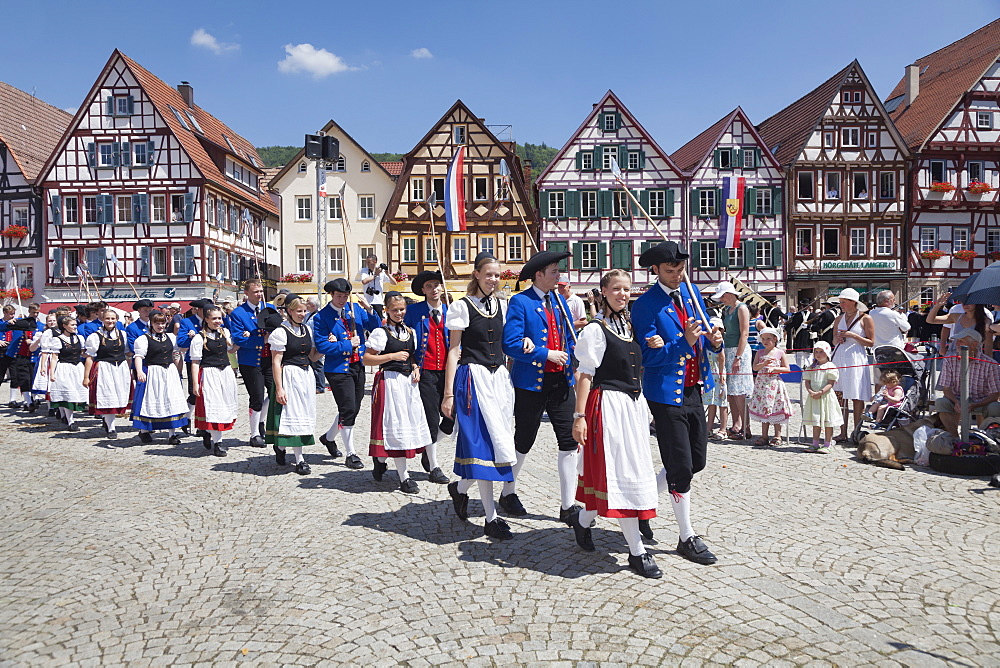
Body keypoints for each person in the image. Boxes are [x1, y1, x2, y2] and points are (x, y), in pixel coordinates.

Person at [631, 241, 724, 565]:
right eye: (671, 271)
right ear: (655, 270)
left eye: (681, 269)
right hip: (665, 393)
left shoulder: (691, 292)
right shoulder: (645, 306)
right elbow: (650, 357)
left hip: (694, 388)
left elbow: (707, 340)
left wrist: (714, 342)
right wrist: (683, 342)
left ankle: (644, 505)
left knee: (695, 462)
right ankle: (686, 536)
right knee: (681, 467)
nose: (678, 276)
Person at [569, 269, 662, 578]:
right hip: (607, 407)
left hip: (633, 409)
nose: (623, 294)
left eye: (627, 289)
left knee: (626, 476)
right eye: (617, 289)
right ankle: (637, 552)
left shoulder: (632, 327)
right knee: (618, 476)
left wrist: (656, 343)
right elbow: (584, 375)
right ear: (604, 292)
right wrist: (579, 417)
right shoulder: (596, 330)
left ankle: (583, 522)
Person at [442, 251, 517, 540]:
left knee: (497, 442)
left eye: (497, 275)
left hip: (498, 381)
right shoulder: (461, 307)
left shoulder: (503, 305)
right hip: (472, 379)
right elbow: (453, 350)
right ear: (476, 274)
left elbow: (507, 343)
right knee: (483, 447)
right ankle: (490, 517)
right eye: (488, 274)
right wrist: (448, 394)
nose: (493, 279)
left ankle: (459, 489)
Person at [501, 249, 578, 523]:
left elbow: (569, 337)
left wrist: (576, 357)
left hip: (561, 381)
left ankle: (568, 505)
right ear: (539, 275)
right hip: (531, 383)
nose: (559, 275)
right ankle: (508, 492)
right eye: (555, 271)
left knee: (570, 441)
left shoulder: (559, 301)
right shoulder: (520, 302)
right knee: (524, 439)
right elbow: (510, 344)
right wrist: (545, 354)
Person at [363, 292, 433, 493]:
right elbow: (367, 359)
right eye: (395, 310)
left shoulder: (410, 331)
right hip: (390, 382)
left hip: (408, 384)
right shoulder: (380, 333)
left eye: (402, 309)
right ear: (386, 310)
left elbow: (411, 355)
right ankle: (404, 477)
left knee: (407, 425)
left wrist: (415, 366)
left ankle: (380, 459)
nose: (399, 313)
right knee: (394, 426)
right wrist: (391, 355)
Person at [313, 279, 380, 469]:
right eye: (338, 296)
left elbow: (375, 327)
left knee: (353, 408)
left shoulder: (354, 310)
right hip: (337, 369)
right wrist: (346, 344)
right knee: (348, 408)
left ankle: (328, 438)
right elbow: (322, 345)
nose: (342, 299)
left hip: (357, 365)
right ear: (332, 295)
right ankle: (351, 453)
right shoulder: (322, 317)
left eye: (345, 296)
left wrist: (369, 309)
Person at [403, 270, 453, 484]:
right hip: (424, 372)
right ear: (423, 291)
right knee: (431, 418)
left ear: (442, 288)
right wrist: (411, 364)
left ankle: (426, 449)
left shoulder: (452, 310)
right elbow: (402, 338)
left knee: (451, 418)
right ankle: (434, 465)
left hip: (449, 372)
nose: (434, 289)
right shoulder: (413, 311)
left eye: (436, 285)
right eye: (429, 286)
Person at [267, 296, 324, 475]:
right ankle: (300, 460)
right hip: (289, 375)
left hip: (306, 376)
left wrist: (326, 345)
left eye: (304, 311)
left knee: (303, 413)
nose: (302, 314)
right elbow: (276, 362)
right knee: (292, 413)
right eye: (299, 311)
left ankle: (281, 447)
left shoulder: (307, 329)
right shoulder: (280, 332)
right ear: (289, 311)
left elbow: (312, 357)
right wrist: (279, 387)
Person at [228, 280, 273, 447]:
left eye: (261, 291)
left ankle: (261, 420)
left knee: (275, 392)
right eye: (255, 292)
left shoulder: (269, 308)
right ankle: (254, 434)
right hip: (250, 362)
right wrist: (262, 339)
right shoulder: (239, 313)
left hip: (269, 359)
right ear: (246, 293)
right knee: (257, 397)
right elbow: (239, 339)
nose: (259, 294)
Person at [132, 312, 189, 444]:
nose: (160, 326)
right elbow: (139, 356)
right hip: (153, 372)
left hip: (169, 372)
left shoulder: (171, 337)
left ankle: (172, 434)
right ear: (151, 324)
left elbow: (180, 350)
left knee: (171, 400)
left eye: (162, 323)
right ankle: (144, 431)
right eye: (157, 323)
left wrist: (190, 337)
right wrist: (140, 371)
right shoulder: (143, 339)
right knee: (153, 399)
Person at [190, 305, 239, 457]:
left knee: (224, 405)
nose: (218, 321)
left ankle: (207, 432)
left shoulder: (225, 333)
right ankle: (218, 443)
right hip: (209, 373)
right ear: (206, 319)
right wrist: (195, 383)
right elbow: (195, 362)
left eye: (220, 318)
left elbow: (231, 349)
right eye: (214, 319)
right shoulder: (199, 338)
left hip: (225, 372)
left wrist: (243, 338)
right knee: (214, 406)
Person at [934, 328, 1000, 436]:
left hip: (982, 401)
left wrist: (976, 404)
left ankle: (985, 437)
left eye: (961, 341)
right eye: (957, 341)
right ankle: (954, 438)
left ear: (974, 344)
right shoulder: (949, 360)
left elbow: (995, 394)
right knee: (941, 402)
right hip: (958, 399)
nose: (957, 344)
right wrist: (956, 401)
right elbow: (947, 389)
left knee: (995, 407)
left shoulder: (991, 365)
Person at [832, 288, 875, 442]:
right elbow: (833, 341)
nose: (841, 305)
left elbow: (871, 341)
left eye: (843, 302)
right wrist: (838, 339)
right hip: (840, 357)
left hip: (856, 358)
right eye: (840, 302)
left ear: (853, 302)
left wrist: (853, 336)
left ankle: (856, 431)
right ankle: (842, 431)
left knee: (857, 396)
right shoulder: (838, 319)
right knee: (840, 396)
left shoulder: (865, 318)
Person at [83, 309, 132, 439]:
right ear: (103, 320)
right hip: (104, 368)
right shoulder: (95, 336)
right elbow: (90, 357)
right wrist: (86, 377)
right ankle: (111, 428)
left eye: (113, 319)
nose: (110, 321)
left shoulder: (123, 334)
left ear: (117, 320)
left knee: (118, 397)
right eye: (107, 319)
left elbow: (128, 353)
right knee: (107, 397)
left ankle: (107, 421)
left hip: (120, 369)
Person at [713, 281, 752, 440]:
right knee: (731, 391)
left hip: (738, 350)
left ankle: (746, 427)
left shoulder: (741, 308)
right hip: (728, 350)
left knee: (740, 391)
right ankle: (737, 424)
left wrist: (738, 357)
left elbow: (744, 333)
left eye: (722, 297)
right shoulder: (728, 310)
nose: (721, 300)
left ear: (729, 294)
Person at [747, 327, 793, 447]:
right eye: (763, 339)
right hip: (762, 386)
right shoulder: (760, 352)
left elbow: (787, 369)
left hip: (774, 385)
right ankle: (764, 435)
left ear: (775, 339)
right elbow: (755, 367)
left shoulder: (779, 352)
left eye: (768, 338)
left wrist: (774, 369)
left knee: (775, 408)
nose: (765, 341)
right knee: (764, 409)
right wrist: (763, 364)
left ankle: (777, 435)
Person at [47, 314, 88, 432]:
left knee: (77, 393)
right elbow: (54, 357)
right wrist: (52, 373)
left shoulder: (79, 338)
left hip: (78, 368)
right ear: (65, 326)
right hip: (64, 368)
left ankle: (67, 417)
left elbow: (83, 354)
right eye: (72, 325)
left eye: (75, 324)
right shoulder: (57, 339)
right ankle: (71, 421)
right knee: (67, 394)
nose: (75, 327)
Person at [801, 341, 842, 453]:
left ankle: (827, 443)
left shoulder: (830, 366)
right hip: (814, 397)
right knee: (816, 420)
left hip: (826, 397)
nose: (818, 354)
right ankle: (815, 443)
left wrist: (821, 392)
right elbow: (807, 381)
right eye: (816, 352)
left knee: (828, 420)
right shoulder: (811, 367)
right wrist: (810, 391)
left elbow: (831, 383)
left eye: (821, 352)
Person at [928, 293, 992, 358]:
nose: (965, 304)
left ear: (977, 303)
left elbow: (988, 344)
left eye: (968, 302)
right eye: (963, 302)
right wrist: (937, 306)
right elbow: (930, 320)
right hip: (954, 352)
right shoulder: (956, 316)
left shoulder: (985, 320)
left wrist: (986, 361)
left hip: (974, 355)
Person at [5, 304, 43, 410]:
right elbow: (7, 328)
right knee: (22, 379)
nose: (35, 314)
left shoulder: (40, 325)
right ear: (29, 311)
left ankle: (31, 400)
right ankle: (28, 402)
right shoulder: (21, 323)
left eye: (37, 312)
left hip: (34, 356)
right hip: (20, 356)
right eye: (33, 312)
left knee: (32, 379)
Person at [704, 317, 729, 440]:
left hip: (718, 374)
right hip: (709, 374)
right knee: (710, 401)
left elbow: (722, 358)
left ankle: (723, 429)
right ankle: (708, 428)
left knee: (722, 402)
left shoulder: (719, 341)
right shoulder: (705, 340)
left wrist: (721, 374)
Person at [359, 254, 396, 319]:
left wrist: (387, 273)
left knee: (379, 319)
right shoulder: (364, 270)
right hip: (368, 301)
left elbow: (394, 283)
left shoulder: (381, 272)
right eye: (366, 262)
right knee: (367, 319)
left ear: (375, 261)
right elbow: (364, 281)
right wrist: (375, 275)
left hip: (378, 301)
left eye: (369, 262)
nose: (367, 264)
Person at [784, 302, 815, 369]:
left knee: (799, 355)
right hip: (808, 337)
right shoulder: (813, 315)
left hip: (799, 337)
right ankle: (808, 368)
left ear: (801, 306)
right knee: (808, 355)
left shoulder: (797, 315)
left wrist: (786, 328)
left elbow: (792, 324)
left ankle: (799, 368)